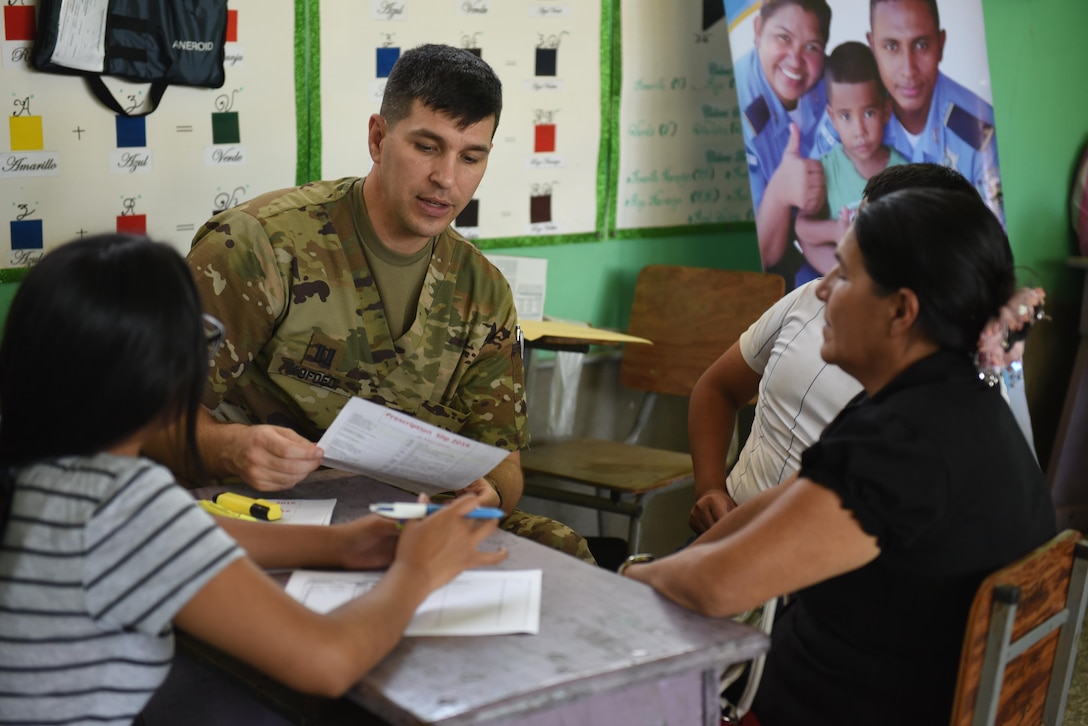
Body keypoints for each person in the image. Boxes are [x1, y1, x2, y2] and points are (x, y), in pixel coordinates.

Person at [0, 234, 507, 723]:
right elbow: (326, 662)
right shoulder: (122, 504)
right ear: (167, 374)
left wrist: (338, 547)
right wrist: (417, 573)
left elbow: (182, 535)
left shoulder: (44, 469)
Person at [143, 44, 594, 564]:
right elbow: (147, 420)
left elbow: (505, 461)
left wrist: (488, 491)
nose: (447, 179)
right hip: (263, 513)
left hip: (404, 521)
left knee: (562, 550)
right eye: (427, 147)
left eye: (471, 157)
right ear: (378, 138)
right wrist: (231, 447)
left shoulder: (483, 290)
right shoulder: (259, 245)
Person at [630, 186, 1056, 725]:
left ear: (902, 309)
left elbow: (717, 588)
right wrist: (669, 569)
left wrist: (629, 581)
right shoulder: (946, 400)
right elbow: (775, 508)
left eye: (846, 276)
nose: (823, 290)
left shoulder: (906, 444)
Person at [690, 162, 986, 534]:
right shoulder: (811, 298)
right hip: (728, 538)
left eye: (867, 235)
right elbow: (717, 388)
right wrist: (711, 488)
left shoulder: (939, 400)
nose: (827, 288)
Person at [815, 0, 1003, 223]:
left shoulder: (977, 134)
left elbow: (994, 238)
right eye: (892, 46)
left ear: (940, 44)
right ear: (873, 47)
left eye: (921, 45)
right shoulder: (850, 111)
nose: (908, 69)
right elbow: (810, 212)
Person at [733, 0, 833, 279]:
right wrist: (780, 191)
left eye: (811, 46)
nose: (795, 60)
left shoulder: (829, 80)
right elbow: (760, 256)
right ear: (758, 29)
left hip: (823, 230)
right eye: (783, 38)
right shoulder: (733, 108)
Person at [794, 41, 906, 286]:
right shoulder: (825, 169)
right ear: (832, 118)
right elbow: (802, 227)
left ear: (886, 110)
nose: (859, 131)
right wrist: (834, 231)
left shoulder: (903, 171)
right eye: (846, 116)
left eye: (868, 113)